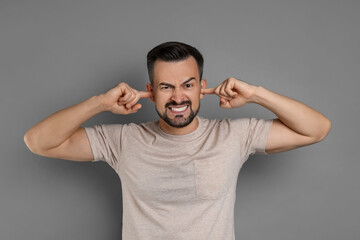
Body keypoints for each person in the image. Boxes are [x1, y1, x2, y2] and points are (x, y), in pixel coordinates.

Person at [24, 41, 331, 240]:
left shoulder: (234, 135)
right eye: (166, 87)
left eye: (188, 85)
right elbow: (38, 141)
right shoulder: (123, 140)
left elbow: (317, 128)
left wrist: (256, 94)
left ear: (202, 88)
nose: (178, 97)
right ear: (151, 91)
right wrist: (100, 103)